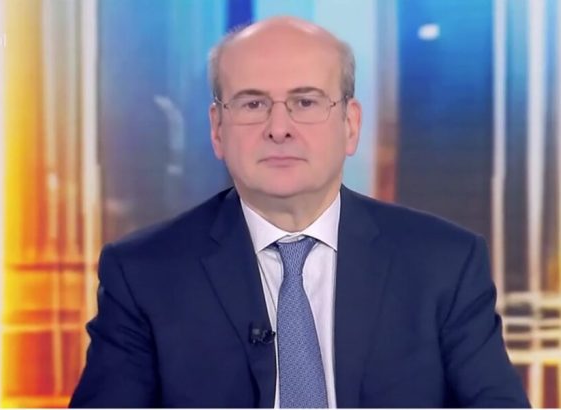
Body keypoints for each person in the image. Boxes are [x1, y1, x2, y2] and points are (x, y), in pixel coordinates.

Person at [70, 16, 530, 408]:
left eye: (305, 102)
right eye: (253, 103)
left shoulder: (445, 264)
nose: (279, 128)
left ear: (350, 125)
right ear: (217, 129)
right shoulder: (144, 274)